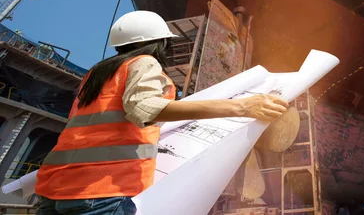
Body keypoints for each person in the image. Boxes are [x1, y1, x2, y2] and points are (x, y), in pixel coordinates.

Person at [35, 11, 288, 215]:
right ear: (161, 42)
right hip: (102, 190)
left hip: (53, 187)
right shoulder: (144, 62)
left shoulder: (94, 76)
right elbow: (144, 110)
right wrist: (242, 106)